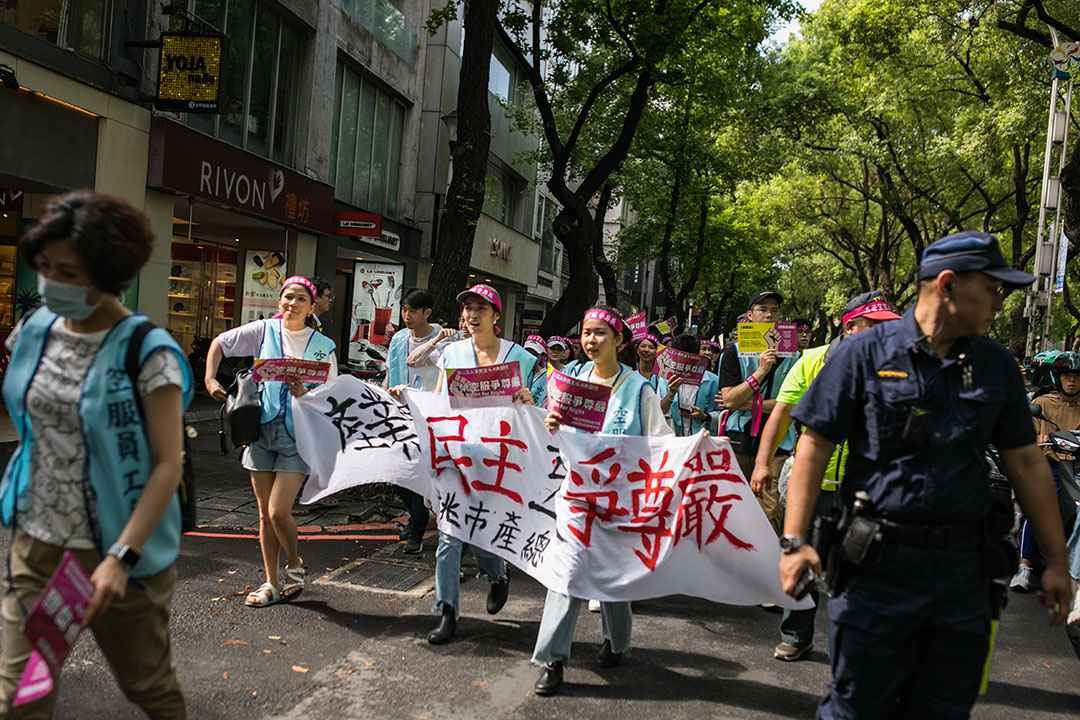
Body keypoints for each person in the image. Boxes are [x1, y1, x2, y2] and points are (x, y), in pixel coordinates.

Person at [780, 231, 1073, 718]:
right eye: (994, 287)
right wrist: (794, 541)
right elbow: (814, 444)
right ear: (949, 284)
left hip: (964, 574)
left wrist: (1058, 562)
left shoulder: (997, 365)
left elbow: (1025, 462)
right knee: (858, 705)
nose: (1000, 301)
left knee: (943, 708)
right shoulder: (862, 355)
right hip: (876, 568)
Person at [0, 190, 192, 716]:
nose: (51, 283)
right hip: (36, 542)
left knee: (147, 687)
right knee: (21, 696)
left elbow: (166, 465)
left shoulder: (147, 353)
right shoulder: (32, 331)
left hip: (117, 553)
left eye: (69, 272)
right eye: (45, 268)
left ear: (109, 275)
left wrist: (120, 558)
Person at [750, 291, 900, 662]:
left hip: (866, 487)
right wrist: (762, 463)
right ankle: (797, 635)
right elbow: (781, 414)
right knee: (803, 556)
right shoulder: (811, 361)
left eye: (887, 326)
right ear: (851, 327)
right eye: (874, 326)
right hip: (811, 484)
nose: (884, 334)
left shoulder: (896, 365)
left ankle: (858, 645)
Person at [533, 305, 673, 696]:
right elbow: (554, 421)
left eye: (600, 333)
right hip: (576, 494)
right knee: (568, 572)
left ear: (620, 341)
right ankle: (553, 659)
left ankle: (617, 641)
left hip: (620, 499)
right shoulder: (570, 378)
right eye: (587, 333)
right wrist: (553, 422)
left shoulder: (638, 388)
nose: (590, 340)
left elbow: (660, 440)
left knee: (612, 570)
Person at [205, 275, 338, 608]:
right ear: (279, 302)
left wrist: (305, 393)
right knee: (264, 515)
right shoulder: (263, 330)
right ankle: (271, 583)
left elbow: (332, 397)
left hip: (298, 435)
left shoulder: (323, 347)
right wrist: (208, 378)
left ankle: (295, 563)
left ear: (311, 307)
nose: (291, 304)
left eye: (300, 300)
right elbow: (220, 342)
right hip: (260, 431)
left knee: (279, 511)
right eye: (286, 298)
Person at [424, 284, 535, 645]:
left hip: (500, 459)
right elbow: (439, 400)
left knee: (484, 532)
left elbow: (535, 412)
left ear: (496, 316)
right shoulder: (452, 353)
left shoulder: (520, 356)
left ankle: (497, 574)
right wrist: (408, 400)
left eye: (481, 309)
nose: (473, 315)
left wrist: (528, 399)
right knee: (449, 537)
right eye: (469, 308)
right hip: (457, 454)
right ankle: (446, 611)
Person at [717, 290, 798, 535]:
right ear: (750, 315)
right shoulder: (732, 353)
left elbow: (793, 404)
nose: (769, 315)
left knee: (769, 508)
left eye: (774, 310)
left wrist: (746, 403)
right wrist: (760, 372)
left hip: (778, 441)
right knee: (735, 502)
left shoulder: (794, 355)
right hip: (739, 439)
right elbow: (729, 400)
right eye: (763, 310)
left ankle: (769, 562)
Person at [1011, 351, 1080, 591]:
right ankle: (1025, 565)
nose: (1071, 381)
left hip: (1077, 468)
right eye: (1067, 376)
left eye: (1076, 377)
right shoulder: (1041, 404)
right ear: (1058, 377)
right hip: (1050, 466)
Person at [383, 289, 443, 554]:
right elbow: (390, 372)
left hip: (428, 414)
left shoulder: (442, 340)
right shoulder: (398, 338)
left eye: (413, 311)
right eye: (404, 309)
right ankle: (417, 517)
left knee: (419, 472)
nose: (406, 316)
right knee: (395, 472)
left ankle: (416, 529)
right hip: (398, 411)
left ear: (427, 312)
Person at [658, 334, 718, 436]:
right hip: (675, 439)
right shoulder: (665, 378)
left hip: (703, 438)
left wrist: (705, 416)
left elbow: (723, 413)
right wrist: (671, 392)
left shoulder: (713, 381)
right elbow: (660, 410)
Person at [524, 335, 549, 406]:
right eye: (527, 353)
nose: (530, 357)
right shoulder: (517, 372)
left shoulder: (547, 379)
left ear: (542, 356)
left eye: (534, 354)